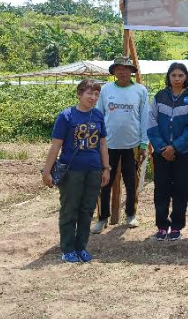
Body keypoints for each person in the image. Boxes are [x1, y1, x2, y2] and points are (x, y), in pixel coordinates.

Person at [42, 79, 110, 263]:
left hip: (94, 170)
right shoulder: (66, 116)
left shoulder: (98, 115)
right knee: (69, 209)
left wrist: (106, 168)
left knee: (87, 210)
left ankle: (81, 247)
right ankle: (68, 249)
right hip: (72, 171)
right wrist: (46, 172)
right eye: (89, 93)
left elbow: (103, 144)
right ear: (79, 94)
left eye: (96, 94)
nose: (93, 97)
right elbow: (56, 145)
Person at [91, 57, 149, 234]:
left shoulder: (140, 90)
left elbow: (145, 118)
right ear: (114, 72)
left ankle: (131, 214)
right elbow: (98, 115)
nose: (122, 72)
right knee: (104, 182)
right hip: (107, 145)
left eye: (126, 68)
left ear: (131, 71)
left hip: (132, 145)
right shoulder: (106, 89)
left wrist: (144, 143)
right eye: (119, 68)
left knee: (132, 182)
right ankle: (102, 218)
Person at [146, 63, 188, 241]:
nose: (177, 79)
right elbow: (151, 123)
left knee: (180, 189)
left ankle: (177, 226)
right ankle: (162, 226)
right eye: (174, 75)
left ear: (186, 77)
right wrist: (162, 147)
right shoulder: (159, 97)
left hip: (183, 153)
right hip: (161, 152)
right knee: (161, 189)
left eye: (180, 75)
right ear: (168, 77)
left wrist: (175, 147)